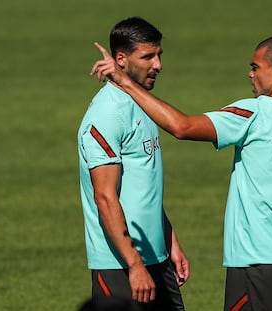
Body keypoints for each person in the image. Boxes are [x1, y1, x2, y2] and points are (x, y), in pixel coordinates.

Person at [90, 35, 272, 310]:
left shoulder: (256, 113)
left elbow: (183, 127)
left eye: (255, 66)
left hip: (257, 268)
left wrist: (126, 83)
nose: (249, 74)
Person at [78, 17, 189, 311]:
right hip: (121, 265)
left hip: (156, 257)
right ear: (121, 60)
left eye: (159, 55)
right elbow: (104, 196)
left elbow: (143, 188)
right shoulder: (107, 114)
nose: (158, 65)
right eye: (148, 57)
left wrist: (170, 241)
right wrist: (135, 265)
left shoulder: (141, 105)